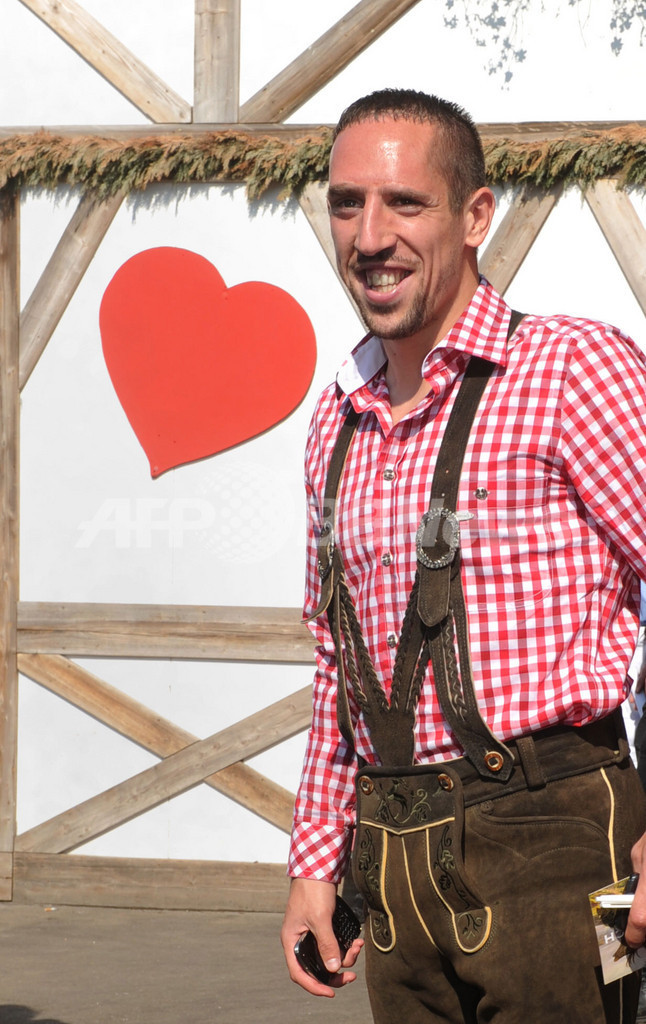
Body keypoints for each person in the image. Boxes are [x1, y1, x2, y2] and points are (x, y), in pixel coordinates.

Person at [280, 88, 646, 1024]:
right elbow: (336, 661)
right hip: (391, 858)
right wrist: (316, 860)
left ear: (476, 216)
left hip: (561, 838)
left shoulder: (571, 368)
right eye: (348, 204)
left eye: (405, 203)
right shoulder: (337, 415)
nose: (370, 236)